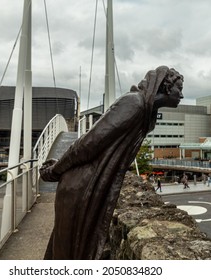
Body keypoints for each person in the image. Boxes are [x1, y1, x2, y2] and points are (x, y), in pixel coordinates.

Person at [40, 65, 184, 260]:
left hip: (91, 186)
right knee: (69, 254)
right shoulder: (134, 104)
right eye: (179, 88)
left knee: (73, 250)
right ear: (167, 86)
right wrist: (56, 169)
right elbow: (89, 143)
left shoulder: (144, 112)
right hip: (81, 186)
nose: (182, 95)